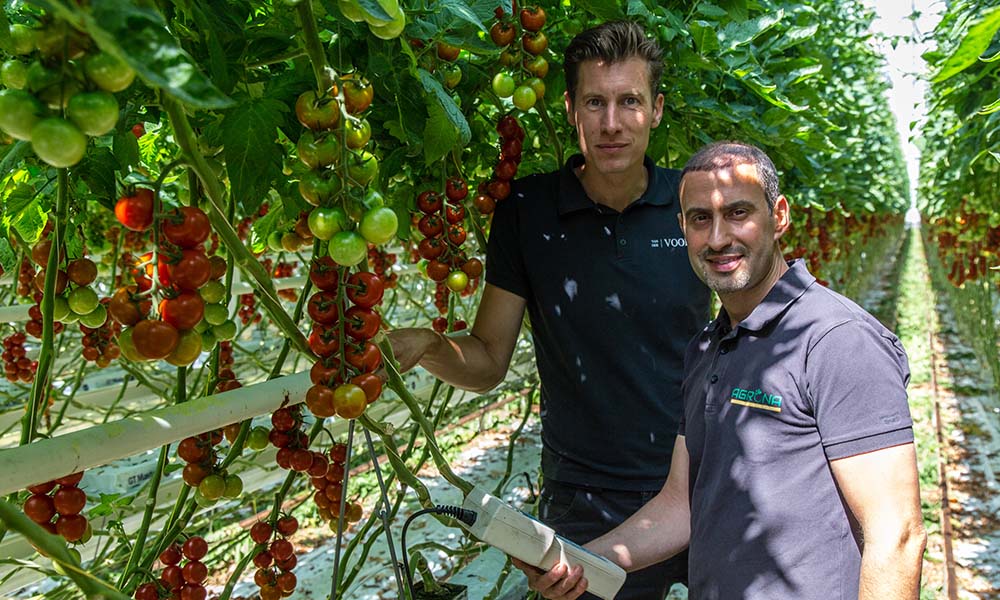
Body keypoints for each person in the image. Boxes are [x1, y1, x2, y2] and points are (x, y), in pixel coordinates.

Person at [516, 141, 928, 600]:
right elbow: (681, 505)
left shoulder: (836, 340)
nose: (717, 239)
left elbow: (897, 536)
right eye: (699, 219)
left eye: (738, 213)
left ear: (780, 216)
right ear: (681, 229)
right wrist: (578, 561)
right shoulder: (707, 348)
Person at [388, 21, 710, 599]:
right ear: (569, 109)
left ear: (656, 110)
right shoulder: (527, 213)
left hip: (697, 483)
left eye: (629, 102)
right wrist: (431, 346)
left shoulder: (695, 204)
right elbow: (488, 360)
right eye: (595, 102)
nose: (611, 123)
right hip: (584, 502)